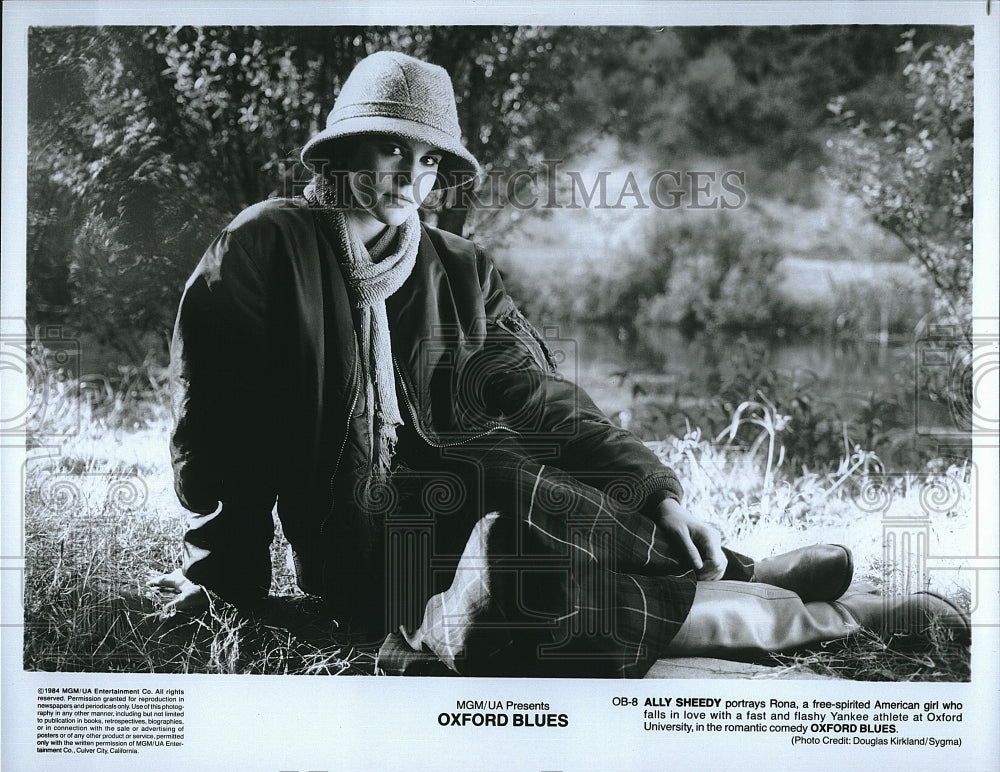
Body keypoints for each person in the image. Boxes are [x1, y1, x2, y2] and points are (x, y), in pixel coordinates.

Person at [149, 51, 969, 678]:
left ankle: (734, 567)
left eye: (428, 158)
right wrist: (226, 589)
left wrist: (658, 489)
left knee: (527, 485)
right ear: (345, 147)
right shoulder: (265, 247)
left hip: (479, 490)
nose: (410, 174)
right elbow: (218, 436)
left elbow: (541, 397)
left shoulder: (458, 265)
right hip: (371, 546)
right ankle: (803, 613)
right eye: (390, 148)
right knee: (517, 567)